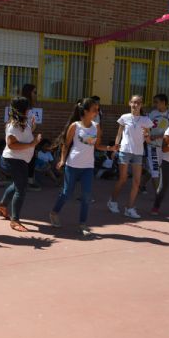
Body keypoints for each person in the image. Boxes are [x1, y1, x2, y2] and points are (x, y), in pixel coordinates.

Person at [50, 98, 118, 235]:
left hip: (88, 166)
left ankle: (82, 224)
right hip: (72, 165)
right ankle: (54, 212)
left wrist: (110, 148)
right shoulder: (75, 126)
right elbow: (66, 144)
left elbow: (97, 145)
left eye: (98, 109)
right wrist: (63, 160)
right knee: (66, 193)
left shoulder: (96, 127)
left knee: (86, 196)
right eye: (94, 110)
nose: (97, 112)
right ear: (86, 111)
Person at [0, 97, 41, 232]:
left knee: (17, 184)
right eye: (28, 108)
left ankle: (2, 205)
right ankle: (15, 220)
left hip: (20, 161)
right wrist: (32, 144)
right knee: (21, 189)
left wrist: (33, 127)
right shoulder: (12, 126)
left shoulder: (23, 122)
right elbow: (12, 145)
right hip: (12, 161)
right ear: (23, 110)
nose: (30, 110)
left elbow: (24, 136)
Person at [107, 95, 153, 219]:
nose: (135, 105)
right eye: (133, 102)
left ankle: (129, 207)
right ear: (129, 103)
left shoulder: (146, 120)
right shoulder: (124, 117)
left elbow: (148, 140)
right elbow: (118, 134)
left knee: (137, 182)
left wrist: (147, 134)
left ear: (141, 105)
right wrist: (115, 148)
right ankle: (112, 201)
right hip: (125, 150)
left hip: (138, 152)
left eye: (138, 103)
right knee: (123, 178)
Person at [143, 94, 169, 192]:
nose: (154, 104)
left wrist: (158, 136)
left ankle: (141, 184)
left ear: (163, 102)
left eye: (156, 102)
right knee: (155, 171)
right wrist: (147, 135)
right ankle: (158, 195)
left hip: (164, 147)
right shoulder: (152, 114)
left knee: (155, 169)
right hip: (152, 146)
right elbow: (146, 127)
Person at [21, 84, 42, 191]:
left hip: (28, 138)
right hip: (23, 139)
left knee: (31, 159)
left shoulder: (29, 106)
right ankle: (27, 182)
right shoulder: (23, 106)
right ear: (28, 92)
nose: (36, 95)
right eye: (34, 92)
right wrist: (32, 127)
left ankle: (28, 180)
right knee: (27, 160)